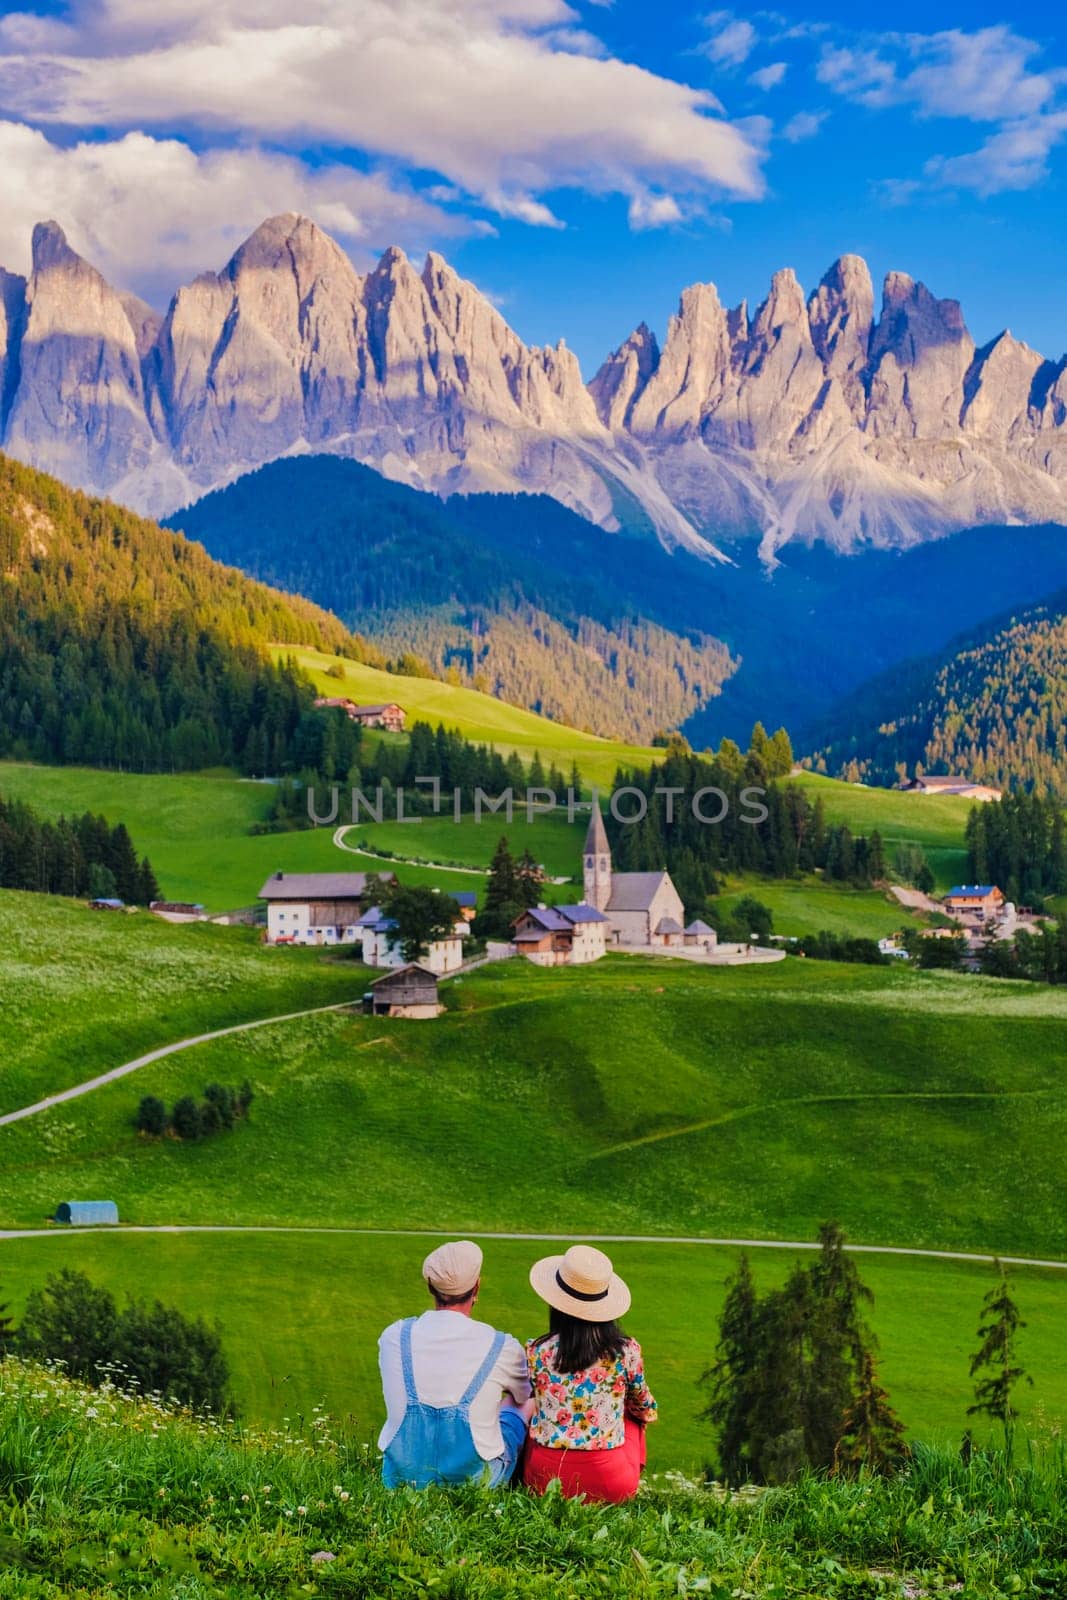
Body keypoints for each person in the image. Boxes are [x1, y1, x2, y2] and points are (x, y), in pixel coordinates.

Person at [378, 1239, 533, 1489]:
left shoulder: (394, 1336)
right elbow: (524, 1395)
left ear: (430, 1287)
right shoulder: (502, 1345)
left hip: (403, 1480)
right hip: (475, 1483)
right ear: (477, 1286)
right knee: (522, 1404)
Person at [523, 1244, 658, 1503]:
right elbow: (644, 1408)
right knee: (634, 1415)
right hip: (610, 1482)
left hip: (544, 1481)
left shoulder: (536, 1350)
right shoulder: (626, 1351)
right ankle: (627, 1480)